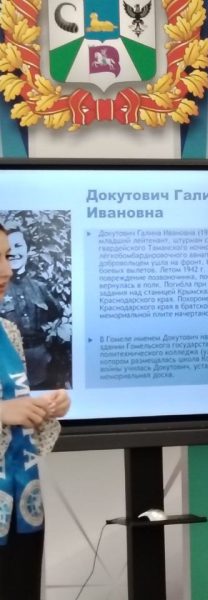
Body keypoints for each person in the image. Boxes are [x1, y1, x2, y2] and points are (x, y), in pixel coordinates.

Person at [0, 225, 70, 600]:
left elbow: (16, 419)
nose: (6, 269)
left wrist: (45, 410)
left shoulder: (8, 331)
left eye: (6, 256)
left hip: (21, 504)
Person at [0, 228, 63, 389]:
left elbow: (58, 319)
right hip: (6, 370)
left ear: (28, 249)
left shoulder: (40, 287)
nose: (14, 252)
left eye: (18, 246)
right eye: (9, 249)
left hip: (42, 369)